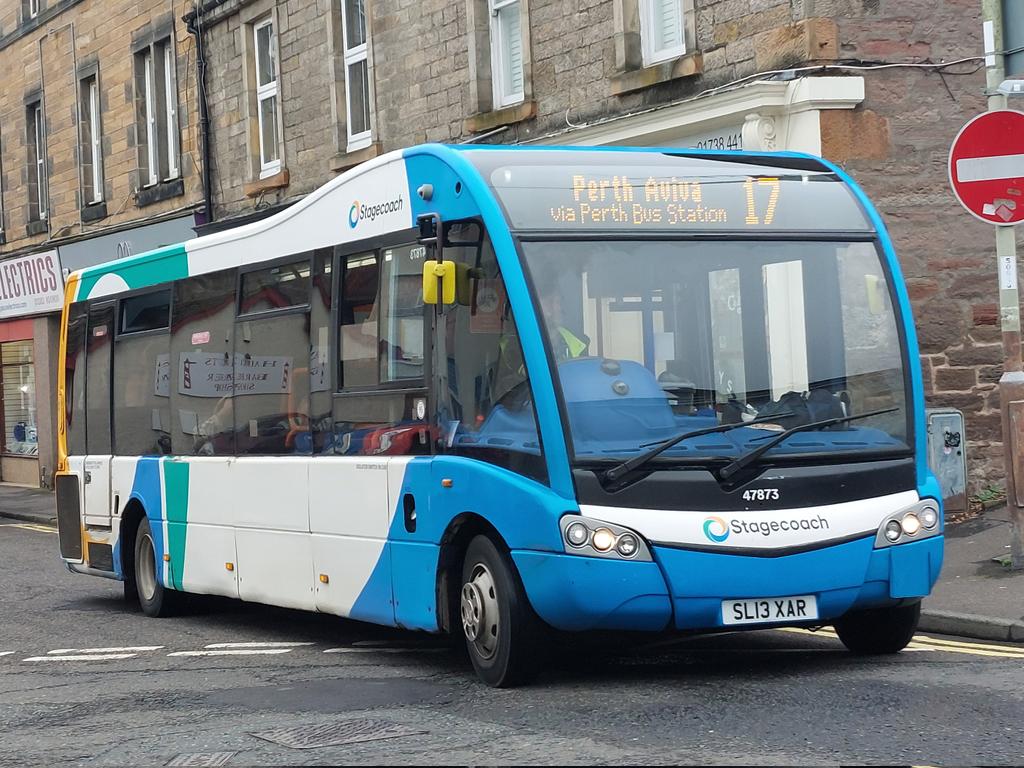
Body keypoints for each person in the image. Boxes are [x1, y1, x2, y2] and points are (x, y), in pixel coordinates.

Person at [537, 284, 589, 361]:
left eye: (560, 302)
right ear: (544, 305)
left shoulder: (577, 342)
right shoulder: (527, 343)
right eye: (557, 302)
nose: (561, 308)